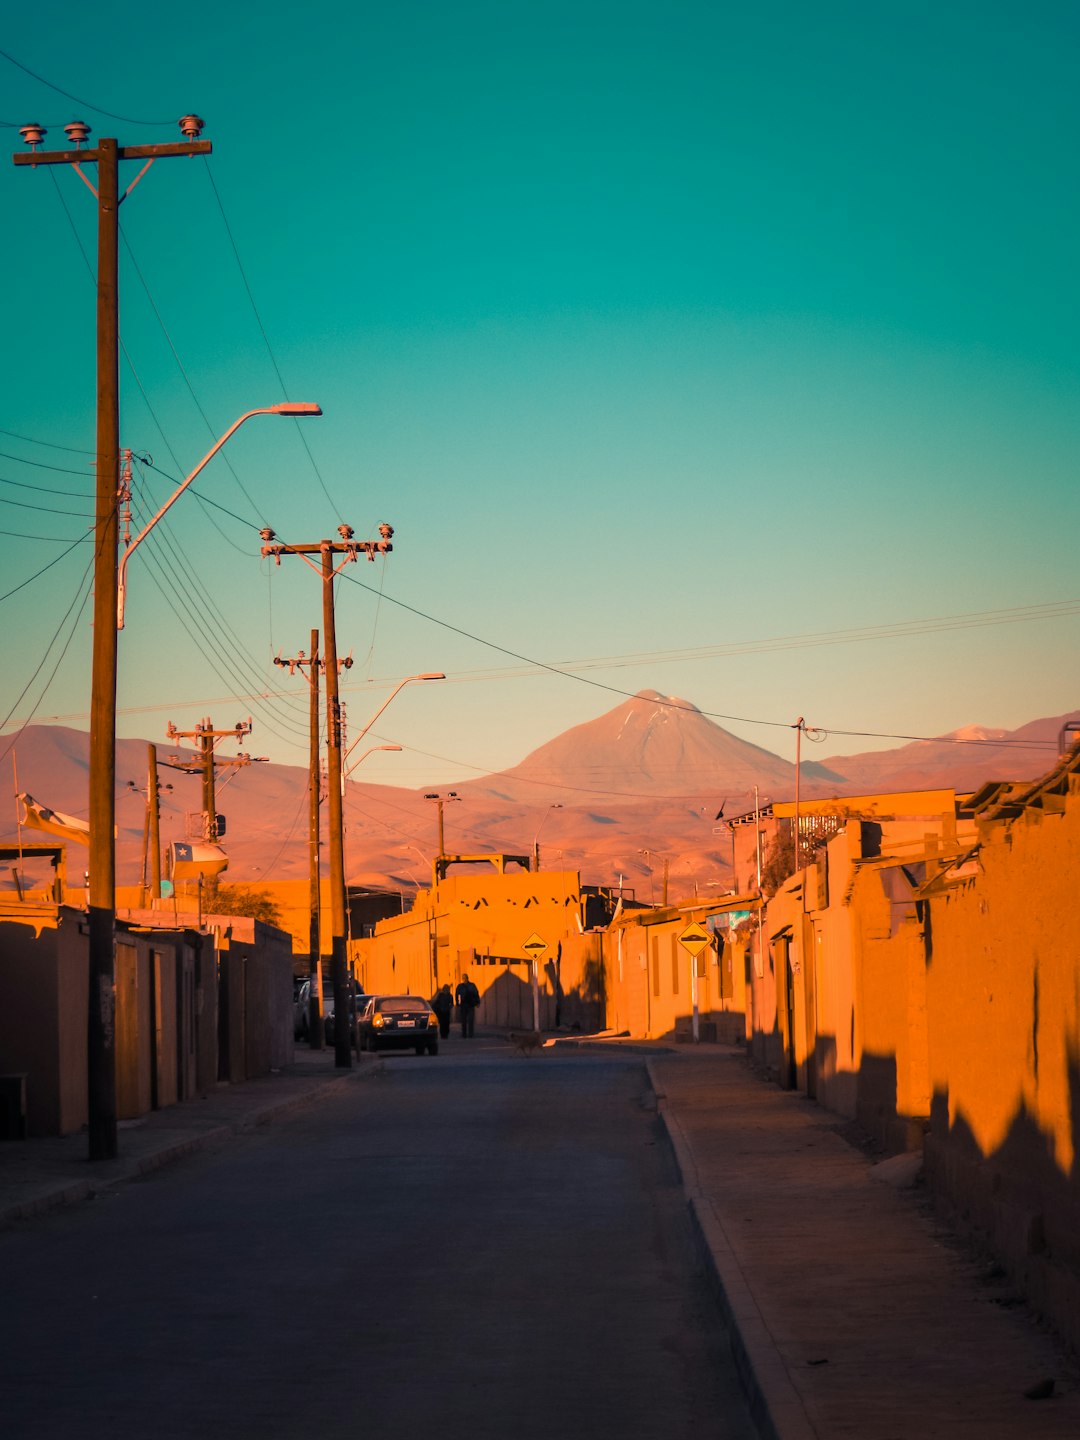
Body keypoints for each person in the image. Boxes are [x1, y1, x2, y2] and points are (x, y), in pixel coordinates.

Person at [455, 973, 480, 1038]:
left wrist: (477, 1002)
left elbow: (476, 994)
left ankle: (468, 1034)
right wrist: (457, 1003)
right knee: (464, 1020)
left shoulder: (470, 985)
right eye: (463, 978)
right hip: (465, 1005)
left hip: (469, 1005)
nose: (464, 979)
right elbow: (457, 995)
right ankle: (465, 1034)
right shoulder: (462, 986)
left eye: (464, 978)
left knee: (469, 1020)